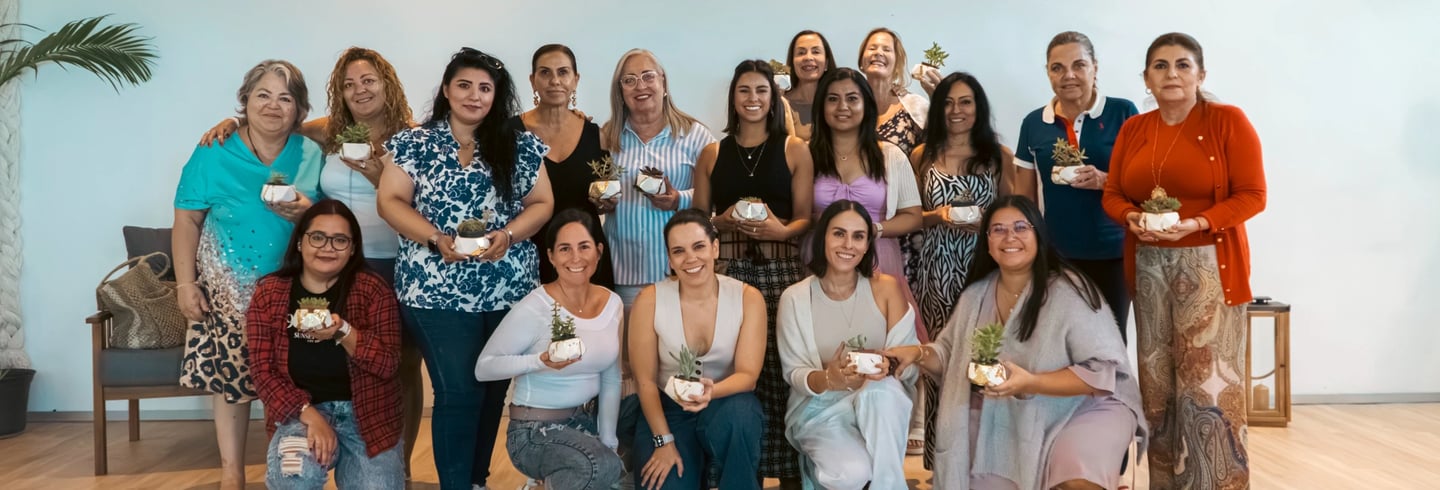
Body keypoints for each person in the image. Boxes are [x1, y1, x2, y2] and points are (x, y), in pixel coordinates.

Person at [197, 47, 427, 474]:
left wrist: (377, 171)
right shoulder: (330, 131)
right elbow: (275, 122)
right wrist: (233, 123)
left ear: (387, 84)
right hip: (337, 261)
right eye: (348, 83)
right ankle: (327, 434)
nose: (359, 90)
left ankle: (402, 463)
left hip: (397, 262)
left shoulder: (414, 137)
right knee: (335, 350)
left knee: (400, 365)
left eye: (368, 80)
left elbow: (420, 204)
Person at [377, 47, 554, 490]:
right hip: (433, 290)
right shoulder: (415, 143)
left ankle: (476, 481)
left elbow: (542, 203)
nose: (474, 96)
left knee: (493, 391)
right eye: (464, 85)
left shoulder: (518, 143)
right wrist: (436, 238)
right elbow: (390, 201)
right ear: (446, 89)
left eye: (484, 88)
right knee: (457, 391)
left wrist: (509, 235)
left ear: (497, 95)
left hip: (507, 290)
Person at [887, 195, 1145, 490]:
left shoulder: (1069, 291)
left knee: (1075, 474)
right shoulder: (977, 294)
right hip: (1009, 407)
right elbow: (948, 354)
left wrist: (1030, 382)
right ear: (986, 240)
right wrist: (917, 353)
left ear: (1039, 234)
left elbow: (1102, 374)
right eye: (998, 229)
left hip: (1087, 405)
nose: (1010, 237)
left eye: (1021, 227)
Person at [1102, 32, 1266, 489]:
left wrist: (1198, 224)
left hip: (1211, 267)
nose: (1171, 74)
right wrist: (1132, 216)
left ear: (1200, 74)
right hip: (1151, 272)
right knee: (1158, 394)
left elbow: (1253, 195)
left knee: (1207, 393)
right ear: (1146, 78)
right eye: (1160, 65)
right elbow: (1113, 194)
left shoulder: (1226, 121)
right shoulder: (1136, 128)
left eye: (1182, 65)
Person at [173, 59, 321, 489]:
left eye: (285, 98)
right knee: (231, 383)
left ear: (299, 110)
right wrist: (186, 283)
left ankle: (286, 471)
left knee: (295, 380)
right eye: (263, 95)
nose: (273, 106)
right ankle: (232, 474)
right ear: (245, 101)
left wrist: (307, 211)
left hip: (296, 289)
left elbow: (328, 220)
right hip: (226, 287)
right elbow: (186, 220)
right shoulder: (212, 151)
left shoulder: (311, 152)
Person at [692, 59, 813, 488]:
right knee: (731, 369)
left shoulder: (793, 149)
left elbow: (805, 219)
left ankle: (788, 473)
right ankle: (733, 472)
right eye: (744, 91)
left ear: (773, 96)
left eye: (761, 90)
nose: (753, 99)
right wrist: (721, 221)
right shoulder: (712, 153)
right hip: (728, 272)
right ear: (733, 98)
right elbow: (698, 221)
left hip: (781, 272)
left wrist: (781, 229)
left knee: (782, 370)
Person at [247, 200, 404, 489]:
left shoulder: (372, 289)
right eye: (317, 237)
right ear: (300, 242)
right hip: (301, 411)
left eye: (340, 240)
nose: (327, 247)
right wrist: (310, 415)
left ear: (353, 248)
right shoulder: (269, 292)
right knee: (293, 478)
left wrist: (343, 331)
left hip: (368, 416)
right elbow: (262, 372)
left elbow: (388, 365)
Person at [908, 71, 1018, 464]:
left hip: (985, 272)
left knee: (985, 360)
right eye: (949, 102)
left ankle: (986, 460)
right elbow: (908, 216)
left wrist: (987, 223)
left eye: (965, 102)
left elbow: (1017, 216)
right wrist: (937, 215)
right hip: (935, 274)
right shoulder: (922, 156)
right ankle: (942, 462)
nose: (956, 110)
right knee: (940, 362)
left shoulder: (998, 157)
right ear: (938, 108)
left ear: (979, 107)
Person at [474, 209, 624, 489]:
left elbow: (611, 377)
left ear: (599, 251)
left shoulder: (612, 303)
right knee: (600, 467)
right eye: (565, 249)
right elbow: (485, 367)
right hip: (533, 432)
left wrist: (608, 443)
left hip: (583, 421)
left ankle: (544, 484)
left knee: (617, 471)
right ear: (552, 256)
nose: (576, 258)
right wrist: (540, 361)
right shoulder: (535, 307)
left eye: (584, 247)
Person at [777, 199, 918, 489]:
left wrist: (887, 365)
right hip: (820, 410)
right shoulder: (795, 298)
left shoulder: (887, 289)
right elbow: (794, 373)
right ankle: (817, 465)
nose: (848, 244)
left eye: (858, 236)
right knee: (851, 473)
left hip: (881, 405)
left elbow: (909, 363)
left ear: (868, 244)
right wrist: (829, 378)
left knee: (879, 391)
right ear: (823, 238)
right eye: (839, 233)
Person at [627, 210, 767, 490]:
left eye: (699, 246)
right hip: (668, 409)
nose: (690, 258)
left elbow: (748, 376)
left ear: (715, 248)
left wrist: (711, 392)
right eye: (678, 251)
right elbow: (644, 381)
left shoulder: (748, 297)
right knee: (663, 483)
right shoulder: (649, 300)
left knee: (742, 417)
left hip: (726, 401)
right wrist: (662, 441)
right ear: (669, 258)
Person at [1014, 32, 1140, 340]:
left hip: (1115, 254)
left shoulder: (1124, 113)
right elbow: (1023, 200)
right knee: (1060, 342)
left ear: (1095, 68)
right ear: (1048, 72)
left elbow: (1145, 186)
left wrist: (1105, 180)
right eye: (1057, 68)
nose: (1068, 75)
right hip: (1057, 256)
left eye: (1079, 65)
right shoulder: (1033, 123)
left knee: (1111, 342)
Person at [807, 67, 924, 341]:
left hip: (877, 256)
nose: (842, 106)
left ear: (866, 104)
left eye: (852, 98)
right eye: (833, 99)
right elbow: (798, 212)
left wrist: (875, 229)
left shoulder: (890, 155)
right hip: (818, 258)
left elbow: (913, 216)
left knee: (879, 344)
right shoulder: (806, 153)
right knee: (824, 341)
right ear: (821, 105)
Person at [598, 49, 716, 309]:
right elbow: (598, 187)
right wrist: (601, 202)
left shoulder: (695, 135)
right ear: (620, 91)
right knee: (631, 350)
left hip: (680, 273)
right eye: (629, 80)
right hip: (623, 276)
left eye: (648, 76)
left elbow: (718, 194)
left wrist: (679, 199)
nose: (640, 86)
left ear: (663, 82)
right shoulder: (608, 137)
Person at [513, 43, 617, 289]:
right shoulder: (510, 132)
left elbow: (606, 195)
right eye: (545, 72)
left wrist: (607, 202)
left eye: (563, 72)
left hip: (586, 257)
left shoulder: (595, 135)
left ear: (575, 79)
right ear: (533, 80)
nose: (554, 80)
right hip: (529, 258)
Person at [781, 30, 837, 141]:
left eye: (816, 52)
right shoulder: (781, 105)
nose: (808, 58)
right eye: (801, 53)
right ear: (792, 62)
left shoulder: (838, 104)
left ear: (826, 63)